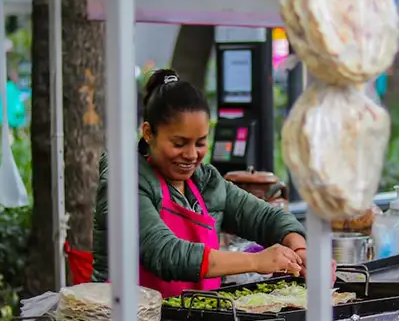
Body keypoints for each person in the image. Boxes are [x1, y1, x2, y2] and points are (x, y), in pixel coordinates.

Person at [92, 69, 334, 297]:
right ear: (148, 133)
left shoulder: (206, 182)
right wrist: (256, 262)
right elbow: (164, 253)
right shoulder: (124, 180)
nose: (191, 155)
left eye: (200, 143)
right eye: (179, 143)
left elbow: (266, 218)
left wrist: (301, 252)